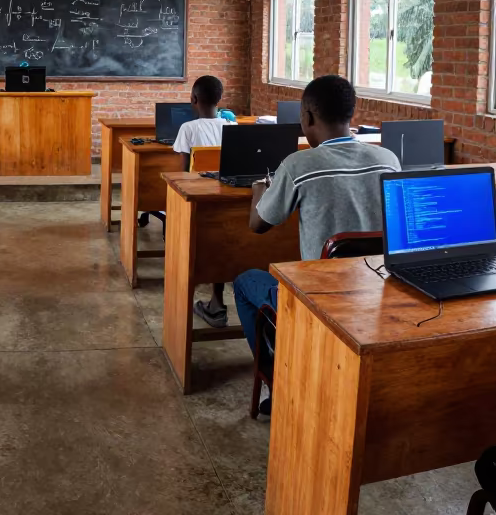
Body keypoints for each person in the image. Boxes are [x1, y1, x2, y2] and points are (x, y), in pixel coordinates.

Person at [233, 75, 399, 359]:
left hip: (318, 300)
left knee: (244, 282)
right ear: (351, 115)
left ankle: (278, 374)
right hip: (380, 291)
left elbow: (257, 225)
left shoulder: (298, 164)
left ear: (307, 117)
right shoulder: (389, 160)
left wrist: (259, 190)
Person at [171, 75, 235, 329]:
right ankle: (216, 298)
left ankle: (210, 299)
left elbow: (183, 175)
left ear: (193, 99)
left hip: (199, 201)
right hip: (226, 199)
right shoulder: (232, 127)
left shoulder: (188, 129)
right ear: (220, 100)